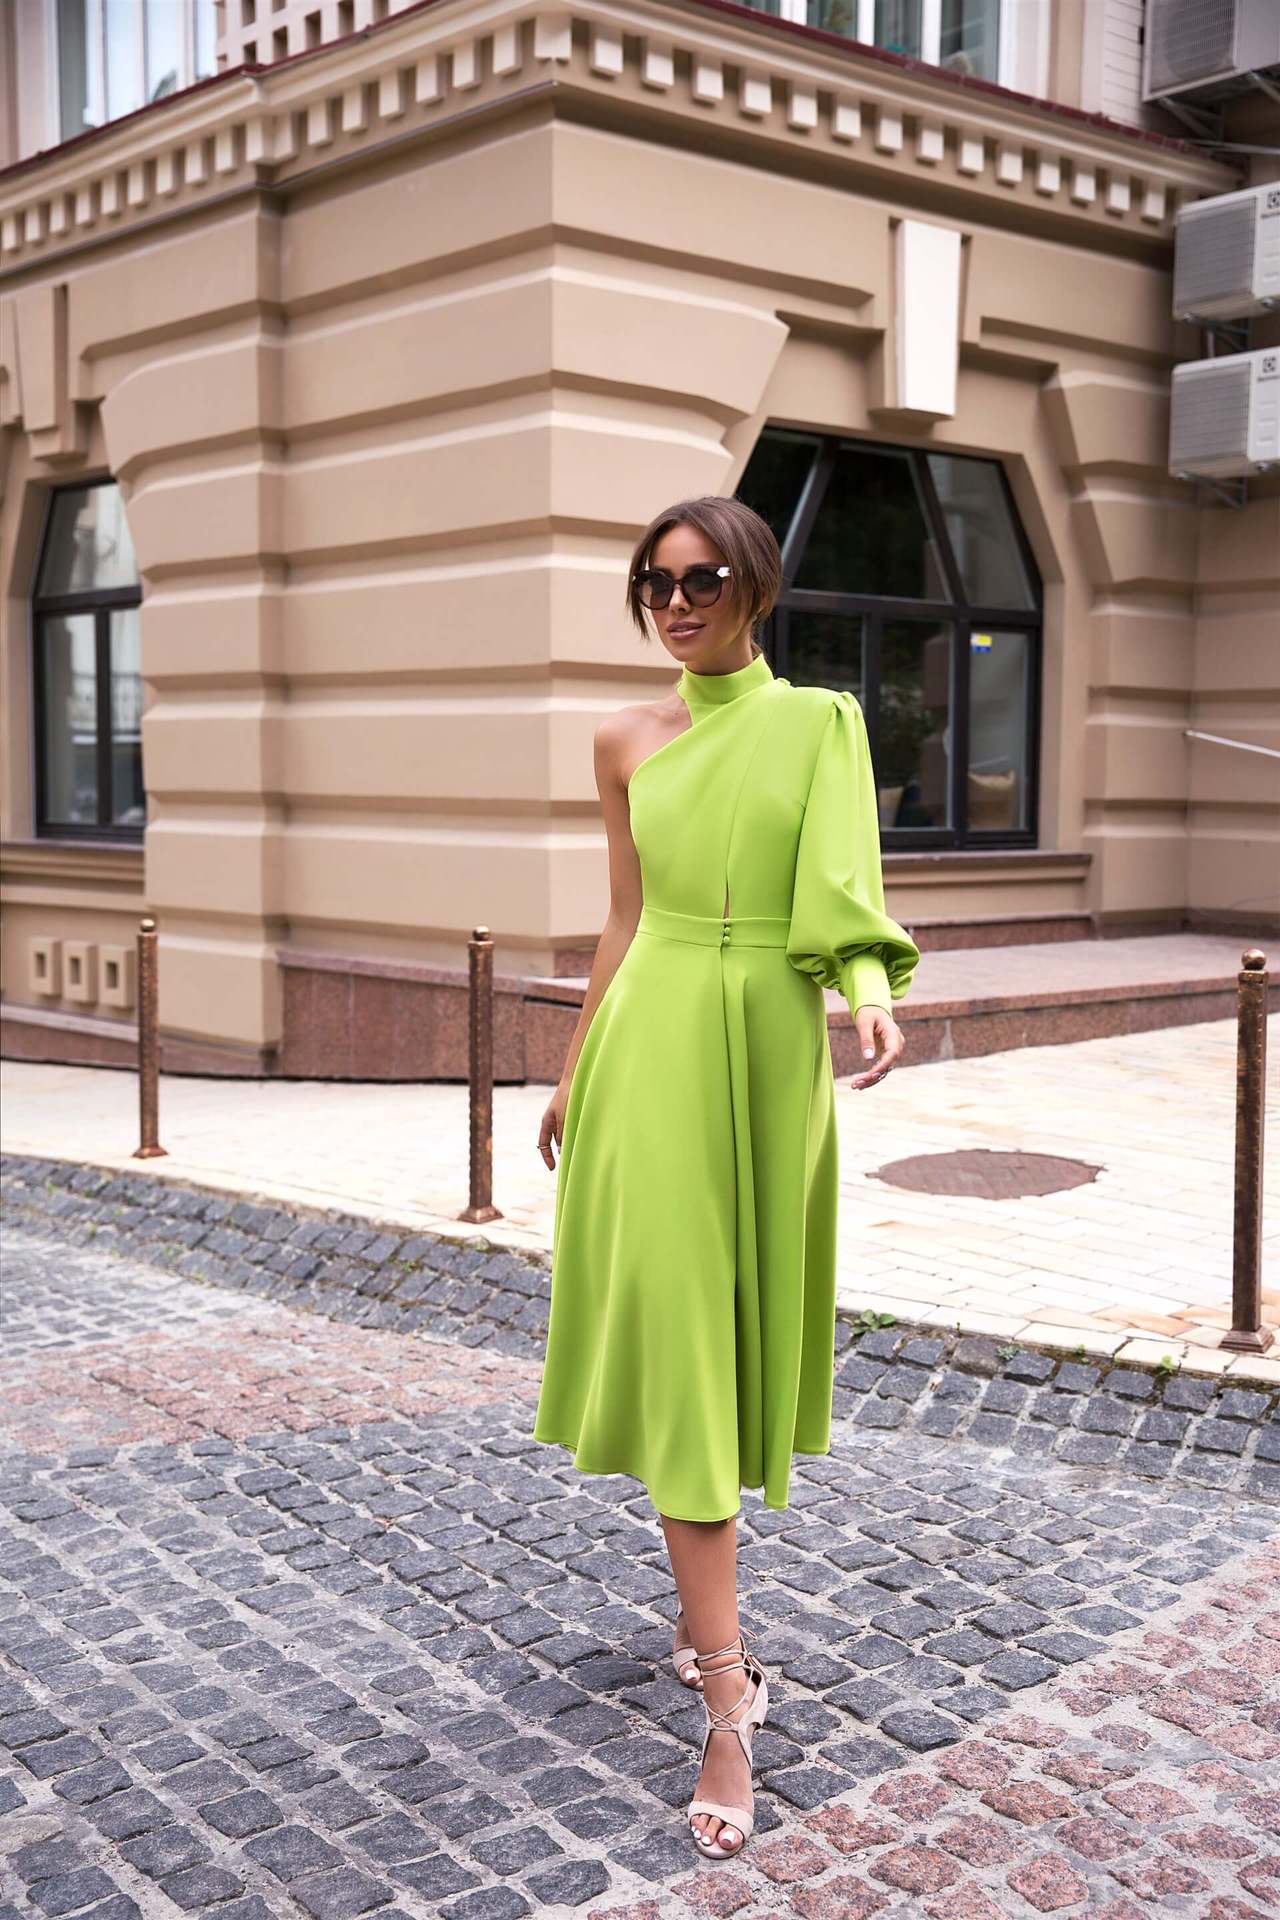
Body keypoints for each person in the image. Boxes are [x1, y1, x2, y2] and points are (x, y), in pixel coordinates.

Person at [532, 495, 920, 1859]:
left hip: (763, 1042)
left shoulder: (817, 724)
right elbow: (626, 916)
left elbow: (842, 885)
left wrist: (869, 992)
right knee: (688, 1360)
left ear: (756, 586)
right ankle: (726, 1701)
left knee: (726, 1345)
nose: (677, 603)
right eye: (656, 583)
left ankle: (718, 1652)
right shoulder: (621, 739)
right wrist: (575, 1067)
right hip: (649, 1051)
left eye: (702, 580)